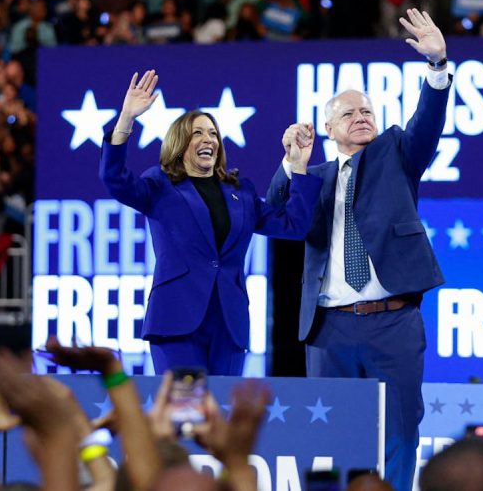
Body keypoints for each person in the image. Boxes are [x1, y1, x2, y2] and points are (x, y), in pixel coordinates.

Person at [266, 9, 451, 491]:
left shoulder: (397, 154)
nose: (362, 117)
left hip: (393, 322)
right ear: (328, 128)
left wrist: (436, 67)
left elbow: (427, 124)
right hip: (330, 327)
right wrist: (291, 166)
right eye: (348, 113)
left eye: (367, 110)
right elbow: (275, 216)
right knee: (330, 439)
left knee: (401, 433)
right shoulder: (315, 177)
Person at [99, 69, 321, 376]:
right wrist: (126, 118)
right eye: (198, 133)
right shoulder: (160, 185)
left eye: (213, 133)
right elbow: (115, 179)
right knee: (183, 416)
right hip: (177, 322)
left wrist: (298, 166)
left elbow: (293, 227)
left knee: (222, 419)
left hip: (229, 324)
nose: (209, 139)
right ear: (180, 142)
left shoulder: (240, 192)